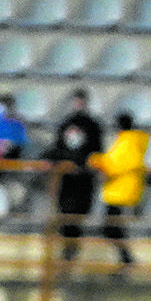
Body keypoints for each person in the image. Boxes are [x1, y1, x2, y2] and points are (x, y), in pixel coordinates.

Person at [40, 87, 103, 257]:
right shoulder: (65, 123)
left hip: (84, 181)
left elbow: (97, 152)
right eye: (76, 101)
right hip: (66, 180)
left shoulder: (93, 125)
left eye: (81, 101)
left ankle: (71, 251)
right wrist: (50, 160)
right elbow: (57, 148)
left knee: (78, 216)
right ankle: (68, 252)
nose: (78, 104)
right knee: (65, 216)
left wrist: (82, 165)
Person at [91, 109, 148, 265]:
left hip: (122, 193)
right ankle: (125, 259)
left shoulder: (128, 142)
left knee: (112, 229)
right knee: (112, 229)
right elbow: (114, 160)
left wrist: (96, 162)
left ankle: (127, 260)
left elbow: (116, 164)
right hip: (117, 192)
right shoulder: (127, 141)